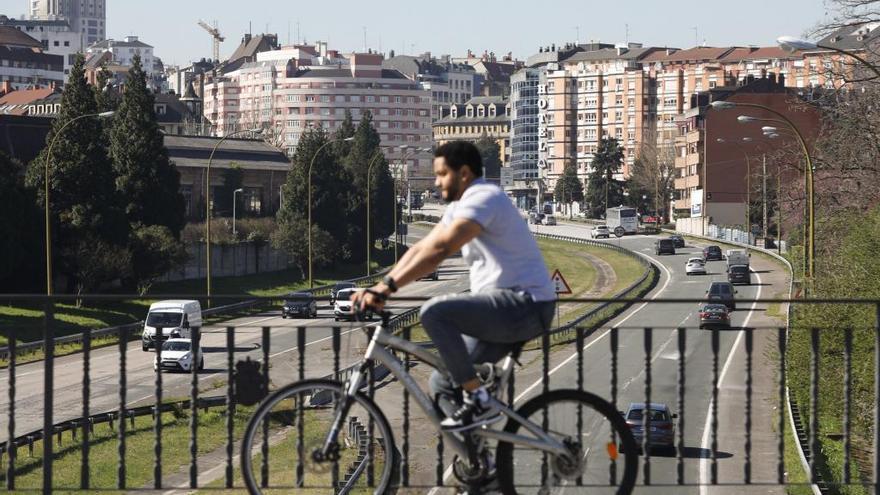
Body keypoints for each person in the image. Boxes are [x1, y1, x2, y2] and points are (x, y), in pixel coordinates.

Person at [352, 140, 555, 431]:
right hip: (503, 310)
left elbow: (442, 250)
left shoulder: (485, 197)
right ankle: (476, 461)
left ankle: (478, 398)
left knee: (435, 312)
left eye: (441, 174)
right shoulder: (460, 207)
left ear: (463, 173)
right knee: (442, 381)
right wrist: (380, 285)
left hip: (524, 305)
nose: (436, 182)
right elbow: (422, 248)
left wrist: (386, 290)